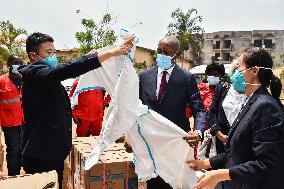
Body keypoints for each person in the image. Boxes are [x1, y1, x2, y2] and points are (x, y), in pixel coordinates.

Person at [18, 32, 134, 189]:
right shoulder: (35, 73)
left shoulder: (43, 75)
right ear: (34, 55)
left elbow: (65, 69)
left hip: (50, 151)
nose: (53, 56)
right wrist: (108, 53)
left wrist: (90, 57)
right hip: (41, 154)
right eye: (48, 52)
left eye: (54, 52)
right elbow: (66, 69)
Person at [188, 48, 284, 189]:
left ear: (254, 71)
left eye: (239, 68)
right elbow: (240, 151)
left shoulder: (265, 107)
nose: (235, 73)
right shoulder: (250, 101)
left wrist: (219, 175)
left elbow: (266, 163)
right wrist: (206, 164)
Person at [139, 36, 206, 189]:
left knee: (175, 183)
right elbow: (135, 108)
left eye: (166, 52)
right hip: (151, 141)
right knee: (153, 182)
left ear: (176, 54)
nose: (161, 55)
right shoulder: (144, 77)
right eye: (159, 51)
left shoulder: (186, 78)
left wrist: (198, 131)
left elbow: (199, 109)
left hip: (176, 142)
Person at [208, 60, 247, 154]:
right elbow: (212, 112)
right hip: (221, 143)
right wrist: (218, 133)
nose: (240, 74)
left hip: (243, 146)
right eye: (238, 70)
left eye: (243, 71)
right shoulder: (222, 89)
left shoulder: (254, 94)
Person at [0, 55, 24, 176]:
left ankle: (21, 175)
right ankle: (14, 177)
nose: (19, 65)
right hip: (9, 123)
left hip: (26, 122)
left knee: (22, 150)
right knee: (14, 150)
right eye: (16, 62)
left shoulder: (27, 79)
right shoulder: (1, 81)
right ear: (9, 64)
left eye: (21, 62)